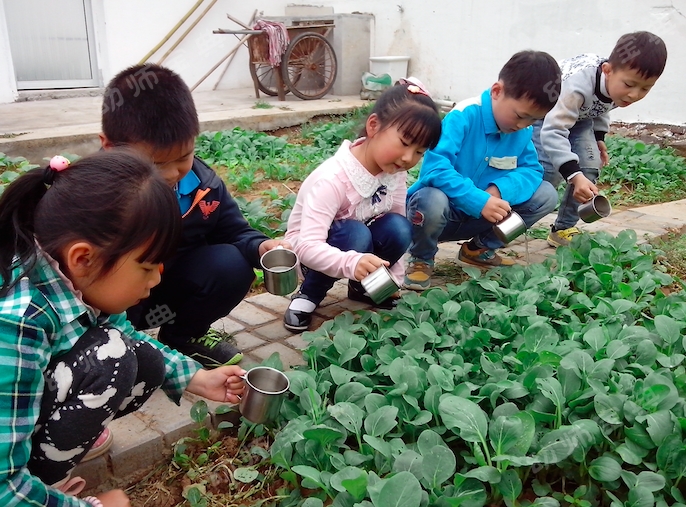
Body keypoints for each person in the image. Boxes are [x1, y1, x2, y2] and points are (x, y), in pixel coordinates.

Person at [0, 151, 246, 506]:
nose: (157, 278)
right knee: (110, 358)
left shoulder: (71, 278)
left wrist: (196, 378)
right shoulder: (17, 323)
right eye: (146, 266)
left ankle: (42, 474)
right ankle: (36, 483)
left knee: (141, 359)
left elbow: (127, 335)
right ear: (83, 258)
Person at [99, 63, 290, 368]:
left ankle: (183, 336)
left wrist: (260, 247)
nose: (172, 173)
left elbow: (235, 233)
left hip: (160, 301)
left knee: (232, 265)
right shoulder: (88, 197)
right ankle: (111, 344)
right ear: (109, 147)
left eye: (184, 156)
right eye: (155, 163)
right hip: (108, 305)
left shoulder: (203, 187)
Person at [283, 81, 442, 332]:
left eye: (419, 152)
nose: (408, 158)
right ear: (373, 126)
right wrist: (352, 263)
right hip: (311, 253)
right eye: (403, 142)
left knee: (399, 227)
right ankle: (309, 295)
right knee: (354, 234)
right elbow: (306, 246)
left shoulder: (394, 173)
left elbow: (397, 218)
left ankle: (364, 287)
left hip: (359, 243)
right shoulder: (332, 179)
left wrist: (395, 280)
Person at [403, 51, 561, 290]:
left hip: (486, 215)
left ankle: (479, 249)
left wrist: (497, 192)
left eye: (532, 121)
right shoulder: (464, 116)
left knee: (546, 195)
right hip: (439, 215)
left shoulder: (521, 131)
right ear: (497, 91)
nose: (522, 126)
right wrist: (478, 200)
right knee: (430, 199)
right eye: (520, 116)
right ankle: (421, 257)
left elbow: (531, 170)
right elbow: (435, 169)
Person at [532, 31, 668, 247]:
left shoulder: (616, 84)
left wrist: (598, 137)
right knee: (548, 170)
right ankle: (512, 219)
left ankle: (563, 229)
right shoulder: (577, 85)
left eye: (645, 88)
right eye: (630, 85)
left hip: (580, 118)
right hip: (546, 115)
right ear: (607, 71)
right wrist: (572, 175)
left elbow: (602, 103)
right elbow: (554, 130)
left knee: (590, 166)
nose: (634, 95)